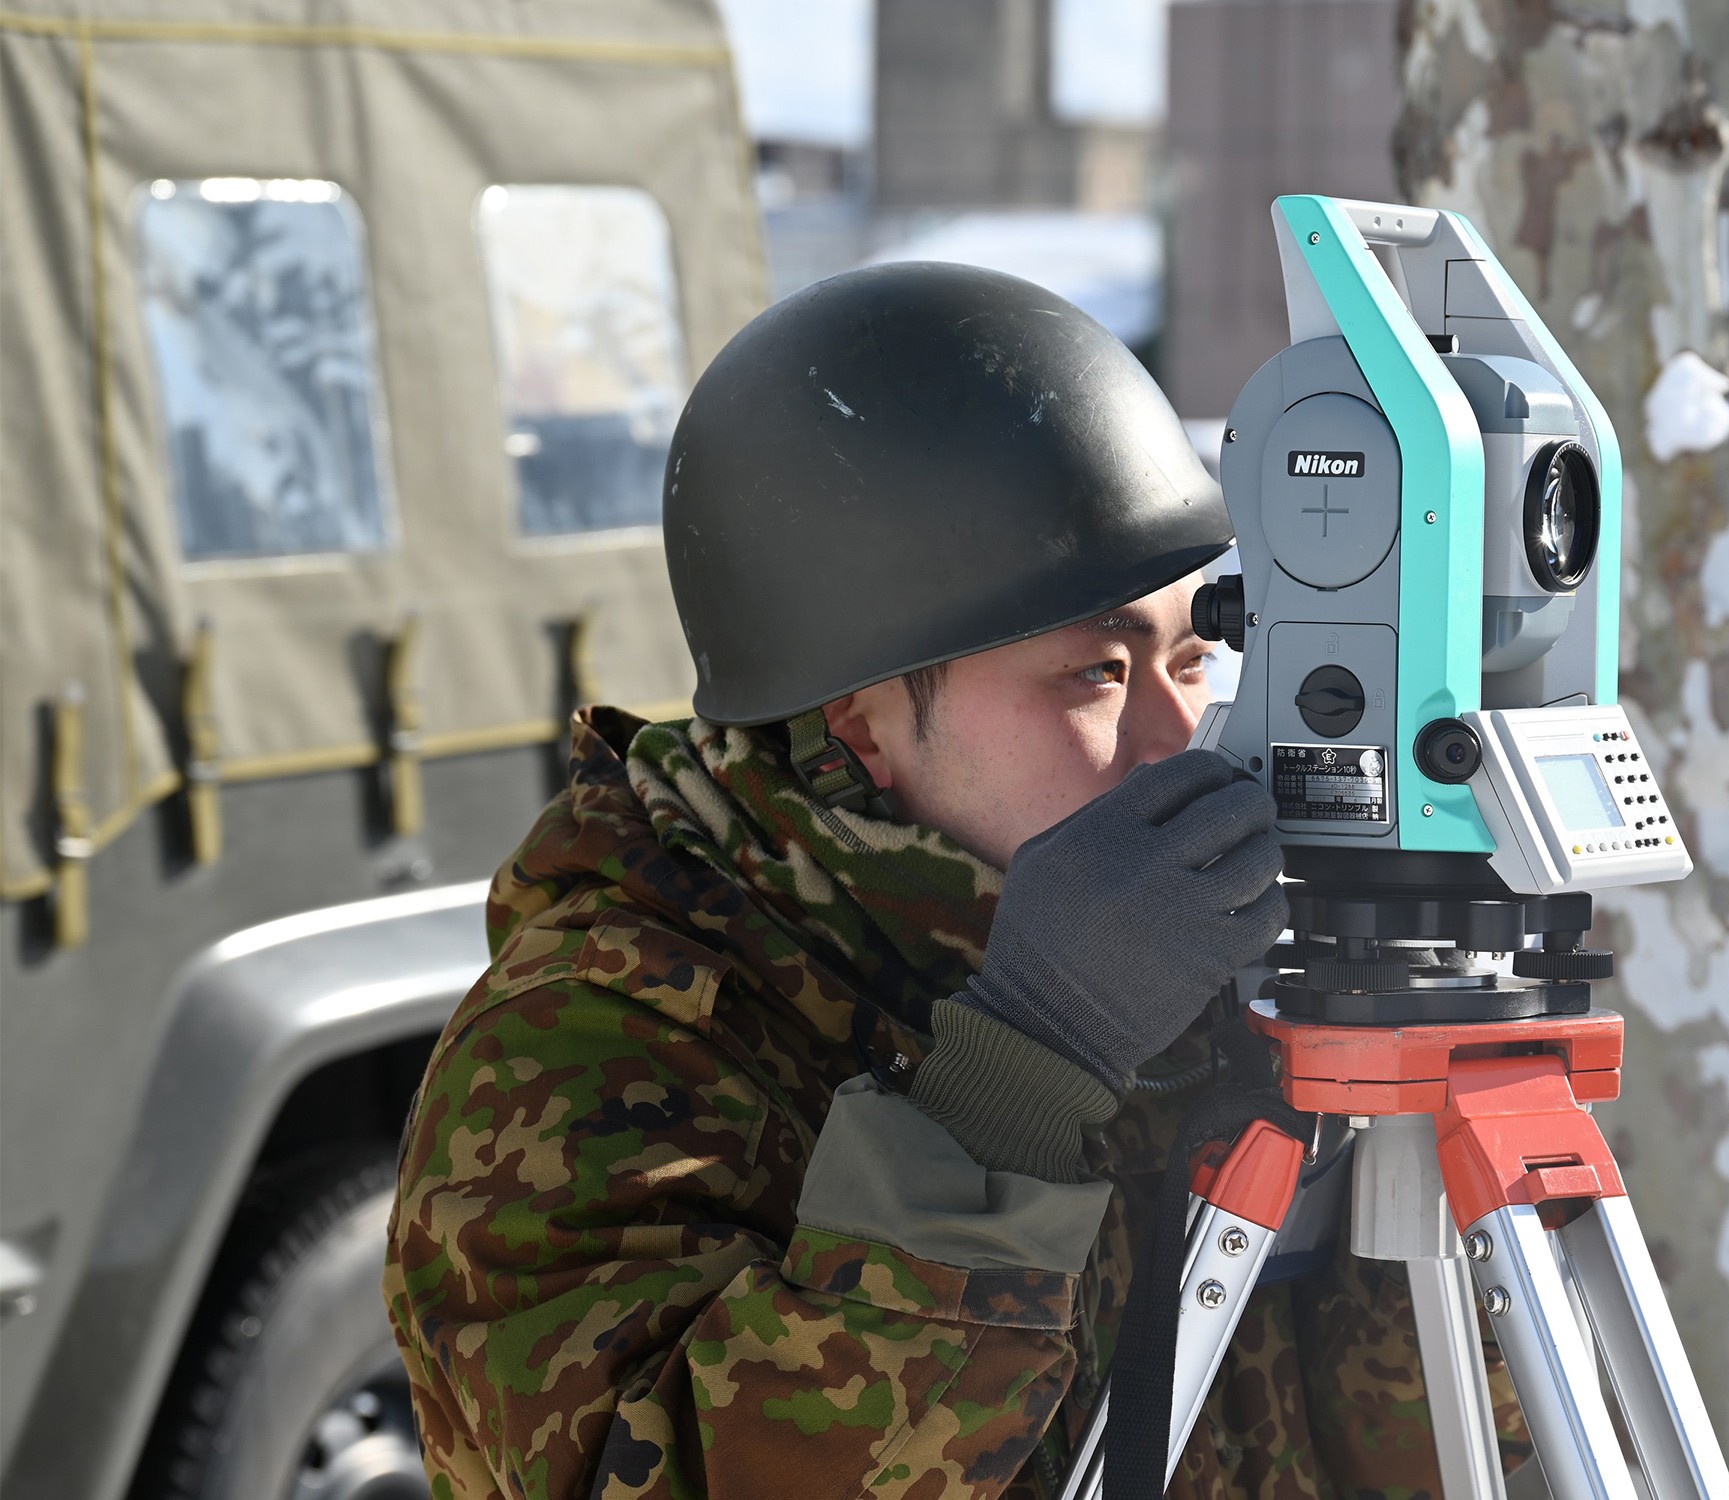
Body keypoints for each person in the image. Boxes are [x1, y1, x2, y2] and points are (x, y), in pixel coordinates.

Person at [384, 263, 1529, 1498]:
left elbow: (1418, 1445)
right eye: (1097, 674)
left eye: (1195, 659)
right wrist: (1012, 1087)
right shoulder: (588, 1045)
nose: (1176, 741)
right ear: (859, 725)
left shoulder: (1193, 975)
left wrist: (1418, 1113)